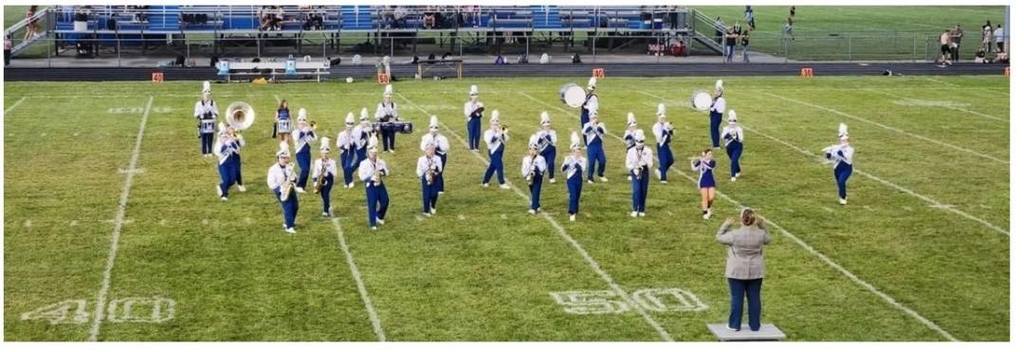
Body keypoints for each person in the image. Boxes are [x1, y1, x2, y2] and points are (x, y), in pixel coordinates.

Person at [716, 208, 771, 332]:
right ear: (754, 220)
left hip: (736, 271)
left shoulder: (734, 234)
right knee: (755, 298)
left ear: (742, 219)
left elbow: (719, 237)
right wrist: (763, 226)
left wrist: (726, 225)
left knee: (737, 298)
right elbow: (769, 239)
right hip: (756, 270)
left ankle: (734, 325)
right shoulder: (760, 234)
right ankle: (755, 325)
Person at [267, 142, 299, 234]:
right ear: (278, 159)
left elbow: (295, 177)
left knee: (295, 206)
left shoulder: (289, 167)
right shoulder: (273, 169)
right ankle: (289, 227)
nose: (284, 160)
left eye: (286, 158)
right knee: (288, 206)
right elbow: (271, 183)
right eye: (282, 158)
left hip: (290, 188)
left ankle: (289, 222)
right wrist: (281, 189)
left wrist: (293, 180)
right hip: (281, 191)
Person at [358, 145, 390, 230]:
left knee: (385, 200)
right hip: (370, 185)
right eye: (372, 153)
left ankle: (379, 216)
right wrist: (370, 177)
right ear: (368, 153)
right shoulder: (364, 163)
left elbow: (387, 171)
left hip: (379, 183)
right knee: (372, 204)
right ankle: (373, 223)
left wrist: (382, 173)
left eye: (375, 153)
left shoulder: (381, 162)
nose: (374, 154)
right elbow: (361, 176)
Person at [822, 123, 854, 205]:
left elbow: (847, 157)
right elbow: (830, 158)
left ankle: (842, 198)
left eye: (845, 140)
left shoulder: (850, 149)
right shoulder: (836, 148)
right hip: (837, 169)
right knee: (839, 183)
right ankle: (844, 194)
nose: (844, 142)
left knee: (841, 181)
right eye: (842, 140)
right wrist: (828, 153)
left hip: (846, 168)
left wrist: (838, 151)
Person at [626, 130, 654, 217]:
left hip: (644, 170)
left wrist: (644, 160)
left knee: (643, 190)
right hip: (635, 170)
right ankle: (635, 209)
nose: (639, 143)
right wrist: (634, 168)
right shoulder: (631, 151)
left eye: (641, 141)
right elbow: (627, 163)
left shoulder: (648, 151)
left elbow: (650, 164)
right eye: (637, 141)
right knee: (636, 190)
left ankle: (641, 209)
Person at [420, 116, 451, 193]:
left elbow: (446, 148)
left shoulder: (442, 138)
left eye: (435, 128)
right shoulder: (426, 137)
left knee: (439, 171)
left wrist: (438, 146)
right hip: (430, 155)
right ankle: (431, 185)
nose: (433, 131)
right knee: (430, 170)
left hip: (441, 156)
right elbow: (422, 147)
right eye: (431, 128)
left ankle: (440, 188)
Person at [482, 110, 511, 189]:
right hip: (493, 152)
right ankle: (502, 183)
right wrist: (498, 133)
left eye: (496, 123)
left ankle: (485, 181)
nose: (495, 125)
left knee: (492, 166)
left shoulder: (500, 130)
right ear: (490, 124)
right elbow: (491, 141)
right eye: (493, 124)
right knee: (499, 166)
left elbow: (507, 139)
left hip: (500, 151)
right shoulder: (487, 132)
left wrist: (503, 133)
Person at [561, 132, 586, 222]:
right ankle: (572, 212)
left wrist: (576, 162)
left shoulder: (583, 159)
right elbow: (563, 169)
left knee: (577, 195)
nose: (578, 152)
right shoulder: (568, 158)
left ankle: (576, 209)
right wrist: (567, 164)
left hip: (579, 179)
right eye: (576, 151)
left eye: (579, 151)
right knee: (573, 195)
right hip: (571, 179)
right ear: (572, 151)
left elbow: (582, 169)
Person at [291, 109, 317, 193]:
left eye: (304, 121)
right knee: (304, 168)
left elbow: (314, 139)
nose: (302, 122)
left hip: (307, 152)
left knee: (307, 169)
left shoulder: (307, 130)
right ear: (297, 123)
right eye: (300, 121)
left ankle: (302, 186)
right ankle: (299, 185)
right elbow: (298, 137)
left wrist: (311, 130)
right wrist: (305, 130)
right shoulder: (295, 131)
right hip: (300, 153)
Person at [417, 142, 444, 217]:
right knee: (426, 195)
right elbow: (418, 170)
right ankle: (426, 210)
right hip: (426, 178)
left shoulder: (438, 158)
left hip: (435, 177)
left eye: (432, 149)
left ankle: (433, 205)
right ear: (425, 150)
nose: (431, 151)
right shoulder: (421, 159)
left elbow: (440, 169)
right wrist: (422, 175)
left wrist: (435, 170)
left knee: (434, 193)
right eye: (429, 150)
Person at [311, 137, 336, 217]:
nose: (325, 155)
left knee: (325, 194)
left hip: (329, 180)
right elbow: (315, 172)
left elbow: (334, 173)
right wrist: (315, 182)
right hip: (320, 179)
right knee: (322, 195)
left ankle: (325, 211)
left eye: (326, 153)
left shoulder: (332, 162)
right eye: (323, 153)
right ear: (321, 153)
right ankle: (327, 205)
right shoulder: (317, 162)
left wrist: (327, 170)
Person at [531, 112, 558, 184]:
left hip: (551, 151)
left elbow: (554, 141)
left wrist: (547, 136)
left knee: (551, 163)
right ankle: (538, 176)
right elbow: (536, 143)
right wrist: (540, 138)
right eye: (545, 126)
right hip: (542, 151)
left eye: (548, 126)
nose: (547, 127)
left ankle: (551, 177)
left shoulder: (553, 132)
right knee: (542, 165)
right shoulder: (539, 133)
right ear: (543, 126)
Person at [521, 142, 547, 214]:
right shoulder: (525, 159)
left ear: (537, 150)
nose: (532, 151)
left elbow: (543, 168)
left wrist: (536, 167)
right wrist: (526, 175)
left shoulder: (541, 158)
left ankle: (534, 208)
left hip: (538, 176)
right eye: (531, 149)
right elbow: (524, 168)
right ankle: (537, 205)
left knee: (536, 190)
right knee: (532, 190)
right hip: (529, 177)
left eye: (534, 150)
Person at [582, 111, 608, 183]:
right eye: (592, 118)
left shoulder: (601, 124)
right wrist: (591, 126)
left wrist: (600, 129)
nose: (594, 119)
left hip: (599, 146)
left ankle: (600, 174)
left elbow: (605, 132)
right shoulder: (587, 124)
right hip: (591, 146)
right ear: (590, 118)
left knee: (602, 161)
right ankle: (590, 177)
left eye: (595, 118)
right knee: (592, 162)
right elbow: (584, 132)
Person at [652, 103, 675, 184]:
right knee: (663, 161)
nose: (662, 119)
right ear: (658, 117)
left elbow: (672, 135)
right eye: (661, 118)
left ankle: (660, 170)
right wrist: (666, 130)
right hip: (660, 145)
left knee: (671, 160)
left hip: (666, 145)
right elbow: (660, 138)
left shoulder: (666, 124)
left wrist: (671, 130)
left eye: (663, 118)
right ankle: (663, 178)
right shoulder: (655, 126)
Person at [692, 149, 717, 220]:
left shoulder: (713, 162)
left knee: (711, 197)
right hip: (703, 181)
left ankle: (708, 207)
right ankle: (705, 213)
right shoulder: (701, 161)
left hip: (711, 181)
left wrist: (703, 161)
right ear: (705, 155)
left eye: (711, 154)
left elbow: (710, 167)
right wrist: (693, 162)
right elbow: (694, 168)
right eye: (709, 154)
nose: (710, 155)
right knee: (704, 198)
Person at [375, 84, 400, 153]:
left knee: (392, 135)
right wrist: (379, 118)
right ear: (384, 97)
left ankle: (391, 147)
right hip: (383, 121)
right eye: (386, 98)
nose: (388, 99)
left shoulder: (393, 105)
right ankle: (385, 149)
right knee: (384, 135)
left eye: (389, 98)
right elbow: (377, 114)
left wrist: (396, 118)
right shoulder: (380, 105)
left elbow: (395, 113)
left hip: (391, 121)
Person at [721, 110, 745, 182]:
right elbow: (722, 137)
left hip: (737, 147)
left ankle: (733, 176)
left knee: (734, 160)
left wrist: (735, 135)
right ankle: (738, 170)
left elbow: (741, 139)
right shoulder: (726, 128)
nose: (732, 124)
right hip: (729, 147)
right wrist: (729, 135)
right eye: (730, 123)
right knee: (733, 160)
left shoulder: (739, 129)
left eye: (733, 123)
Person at [194, 89, 218, 157]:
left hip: (210, 122)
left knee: (210, 137)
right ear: (202, 95)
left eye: (208, 95)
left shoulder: (213, 103)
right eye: (205, 95)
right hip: (202, 122)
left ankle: (210, 151)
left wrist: (212, 115)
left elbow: (216, 112)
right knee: (204, 138)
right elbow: (195, 114)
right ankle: (204, 152)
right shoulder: (198, 104)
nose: (207, 97)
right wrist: (201, 116)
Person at [336, 112, 357, 188]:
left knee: (347, 166)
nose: (349, 126)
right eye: (348, 124)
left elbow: (356, 144)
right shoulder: (341, 134)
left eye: (351, 124)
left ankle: (350, 181)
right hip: (343, 152)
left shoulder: (354, 133)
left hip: (350, 152)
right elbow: (338, 144)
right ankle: (346, 181)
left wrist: (352, 144)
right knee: (344, 166)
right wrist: (344, 147)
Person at [464, 85, 485, 152]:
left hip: (478, 121)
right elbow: (468, 114)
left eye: (476, 95)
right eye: (473, 95)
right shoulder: (467, 104)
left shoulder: (480, 104)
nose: (474, 97)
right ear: (470, 96)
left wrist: (477, 112)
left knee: (477, 133)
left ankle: (476, 146)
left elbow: (481, 113)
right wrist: (476, 112)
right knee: (471, 133)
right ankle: (471, 147)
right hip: (471, 121)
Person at [709, 80, 726, 149]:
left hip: (717, 116)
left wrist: (711, 107)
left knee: (714, 130)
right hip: (714, 116)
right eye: (715, 91)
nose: (715, 92)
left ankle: (716, 145)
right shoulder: (716, 99)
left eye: (717, 91)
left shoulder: (720, 100)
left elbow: (717, 109)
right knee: (713, 130)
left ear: (720, 92)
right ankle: (715, 144)